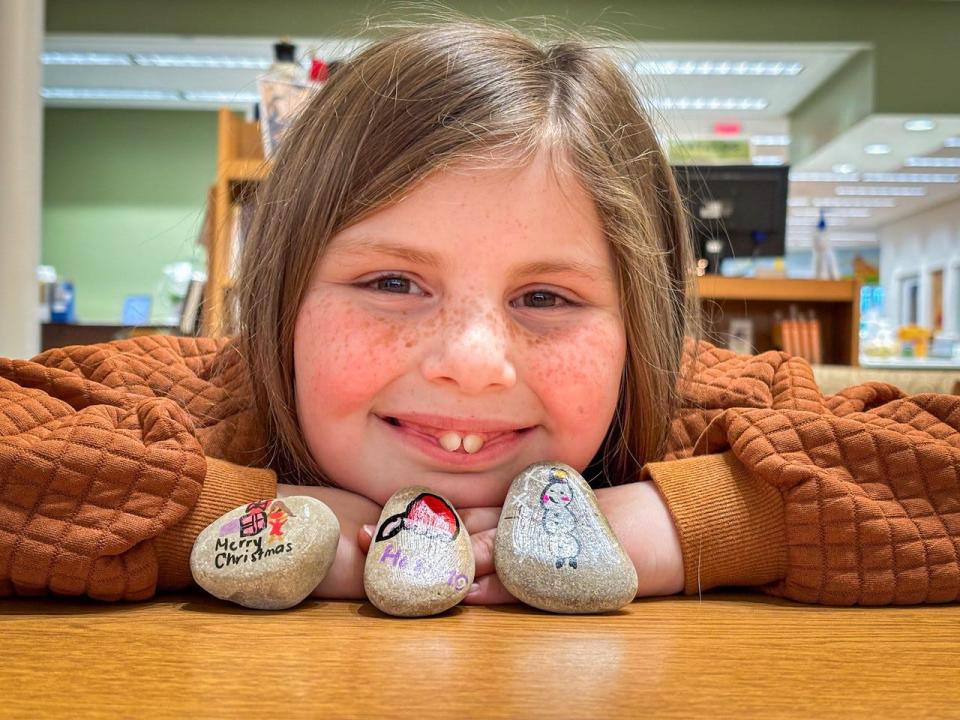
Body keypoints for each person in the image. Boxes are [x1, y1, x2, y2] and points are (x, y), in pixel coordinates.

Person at [2, 19, 958, 606]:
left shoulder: (698, 411)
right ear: (284, 300)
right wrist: (252, 525)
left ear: (642, 328)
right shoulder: (205, 397)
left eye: (546, 298)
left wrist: (699, 523)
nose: (472, 362)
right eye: (391, 284)